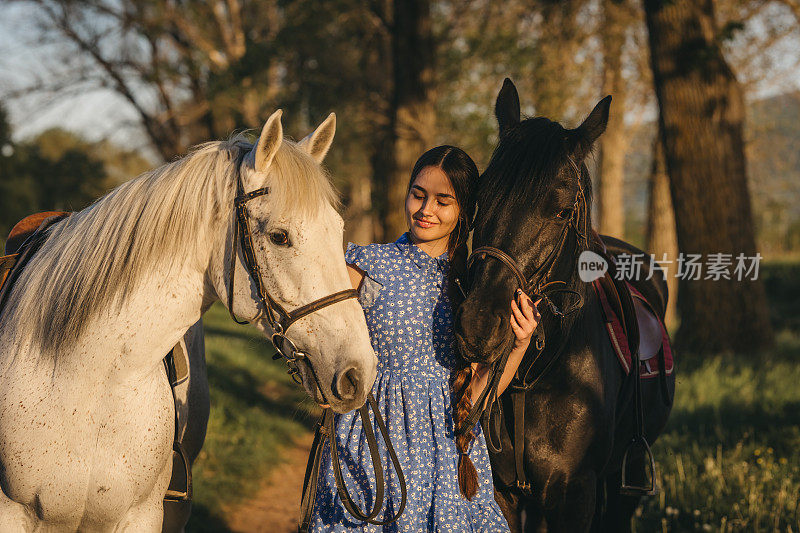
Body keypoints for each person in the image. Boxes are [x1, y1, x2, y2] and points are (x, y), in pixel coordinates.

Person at [310, 146, 541, 532]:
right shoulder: (365, 264)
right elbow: (322, 340)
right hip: (370, 445)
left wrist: (518, 344)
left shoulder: (472, 284)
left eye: (442, 201)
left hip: (446, 454)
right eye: (418, 194)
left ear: (463, 211)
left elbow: (478, 394)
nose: (425, 210)